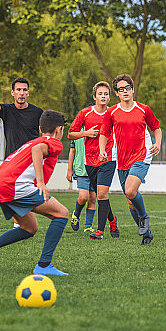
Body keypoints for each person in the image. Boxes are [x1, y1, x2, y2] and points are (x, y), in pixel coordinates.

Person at [0, 110, 70, 276]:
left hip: (1, 184)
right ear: (59, 129)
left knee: (29, 228)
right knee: (62, 213)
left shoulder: (34, 140)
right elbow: (37, 151)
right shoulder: (53, 142)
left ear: (39, 127)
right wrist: (41, 183)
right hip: (15, 185)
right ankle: (44, 265)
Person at [98, 74, 161, 245]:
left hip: (142, 155)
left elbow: (156, 127)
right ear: (117, 93)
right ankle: (146, 233)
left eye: (127, 88)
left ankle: (143, 218)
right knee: (130, 200)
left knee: (131, 190)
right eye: (121, 89)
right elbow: (104, 133)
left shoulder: (143, 109)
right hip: (123, 160)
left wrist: (158, 143)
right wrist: (103, 150)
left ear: (133, 90)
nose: (125, 91)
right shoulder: (111, 112)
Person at [68, 81, 119, 240]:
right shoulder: (85, 113)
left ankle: (100, 231)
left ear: (109, 97)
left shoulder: (114, 113)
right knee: (100, 195)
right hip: (89, 160)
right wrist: (86, 133)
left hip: (108, 158)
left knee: (102, 194)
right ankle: (112, 220)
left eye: (106, 94)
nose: (103, 96)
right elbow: (70, 134)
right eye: (100, 94)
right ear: (94, 96)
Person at [0, 77, 43, 158]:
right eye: (18, 89)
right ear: (12, 92)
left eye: (24, 90)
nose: (22, 93)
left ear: (28, 93)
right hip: (11, 161)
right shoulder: (6, 110)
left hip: (31, 161)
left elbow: (45, 135)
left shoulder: (38, 112)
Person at [65, 138, 96, 233]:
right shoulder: (77, 131)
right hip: (81, 170)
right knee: (83, 197)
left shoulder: (97, 128)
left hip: (94, 169)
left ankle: (88, 226)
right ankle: (76, 215)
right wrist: (69, 169)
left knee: (92, 198)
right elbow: (72, 151)